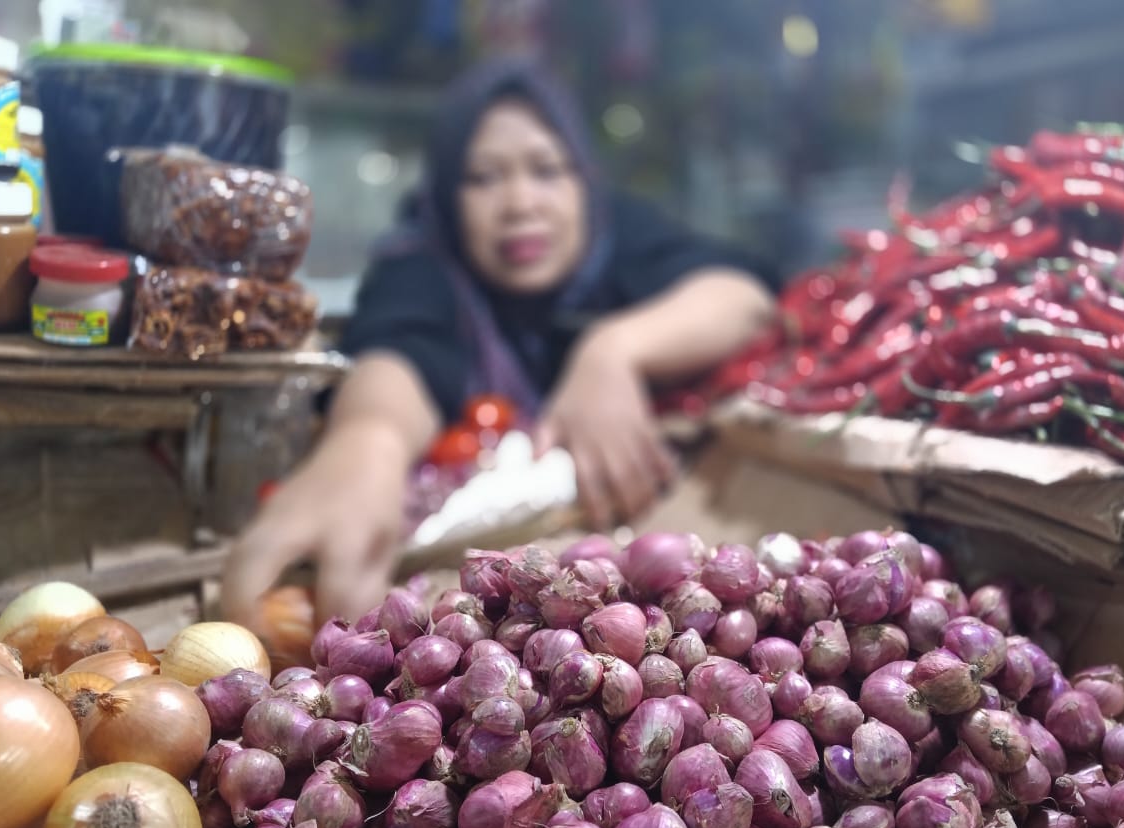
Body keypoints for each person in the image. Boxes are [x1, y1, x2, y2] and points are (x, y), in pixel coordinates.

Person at [222, 58, 779, 628]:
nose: (520, 204)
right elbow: (402, 346)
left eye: (546, 169)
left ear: (583, 179)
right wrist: (369, 440)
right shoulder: (423, 258)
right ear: (447, 193)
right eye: (484, 178)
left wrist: (614, 349)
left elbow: (742, 296)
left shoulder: (618, 232)